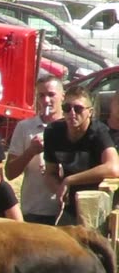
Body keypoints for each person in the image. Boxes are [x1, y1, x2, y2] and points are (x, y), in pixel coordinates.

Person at [42, 88, 119, 226]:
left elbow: (114, 168)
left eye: (78, 109)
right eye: (66, 108)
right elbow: (49, 173)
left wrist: (69, 180)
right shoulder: (52, 131)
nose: (71, 113)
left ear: (90, 112)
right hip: (70, 205)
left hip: (98, 205)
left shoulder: (98, 131)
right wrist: (59, 189)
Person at [5, 76, 64, 225]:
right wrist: (30, 152)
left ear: (62, 96)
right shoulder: (25, 127)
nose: (46, 101)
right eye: (41, 95)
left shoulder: (71, 127)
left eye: (51, 95)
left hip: (64, 208)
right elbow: (10, 173)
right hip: (35, 210)